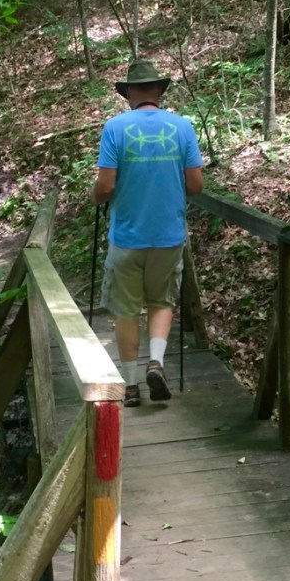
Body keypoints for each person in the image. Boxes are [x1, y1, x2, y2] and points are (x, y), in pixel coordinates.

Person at [92, 58, 204, 406]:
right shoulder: (182, 127)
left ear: (129, 94)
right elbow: (196, 185)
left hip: (127, 237)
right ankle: (156, 362)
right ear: (158, 90)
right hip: (168, 236)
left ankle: (130, 386)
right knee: (161, 301)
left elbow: (105, 186)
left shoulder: (115, 128)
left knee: (126, 310)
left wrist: (95, 197)